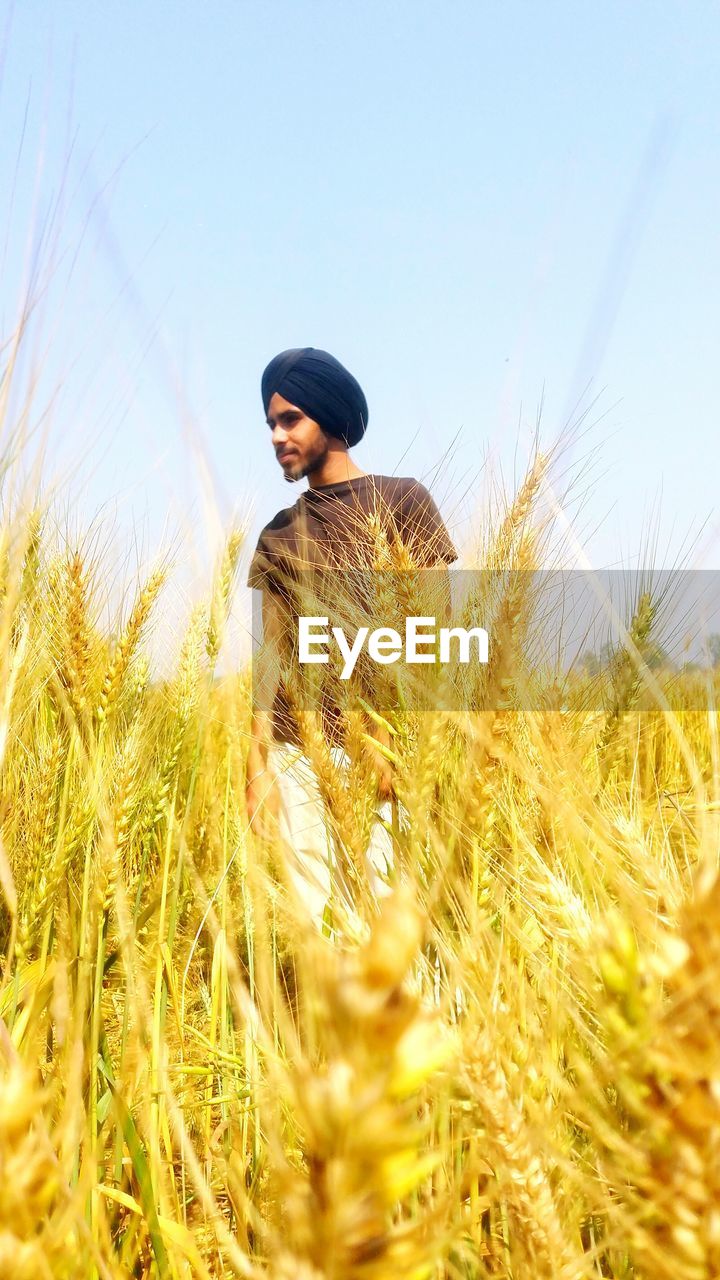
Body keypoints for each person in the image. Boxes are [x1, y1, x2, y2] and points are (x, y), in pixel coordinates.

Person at [245, 346, 458, 928]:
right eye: (270, 424)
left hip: (383, 749)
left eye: (290, 419)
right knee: (317, 924)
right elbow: (268, 656)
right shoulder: (277, 536)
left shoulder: (402, 501)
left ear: (329, 418)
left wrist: (391, 739)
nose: (276, 435)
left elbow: (429, 631)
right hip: (297, 753)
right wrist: (258, 764)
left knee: (389, 926)